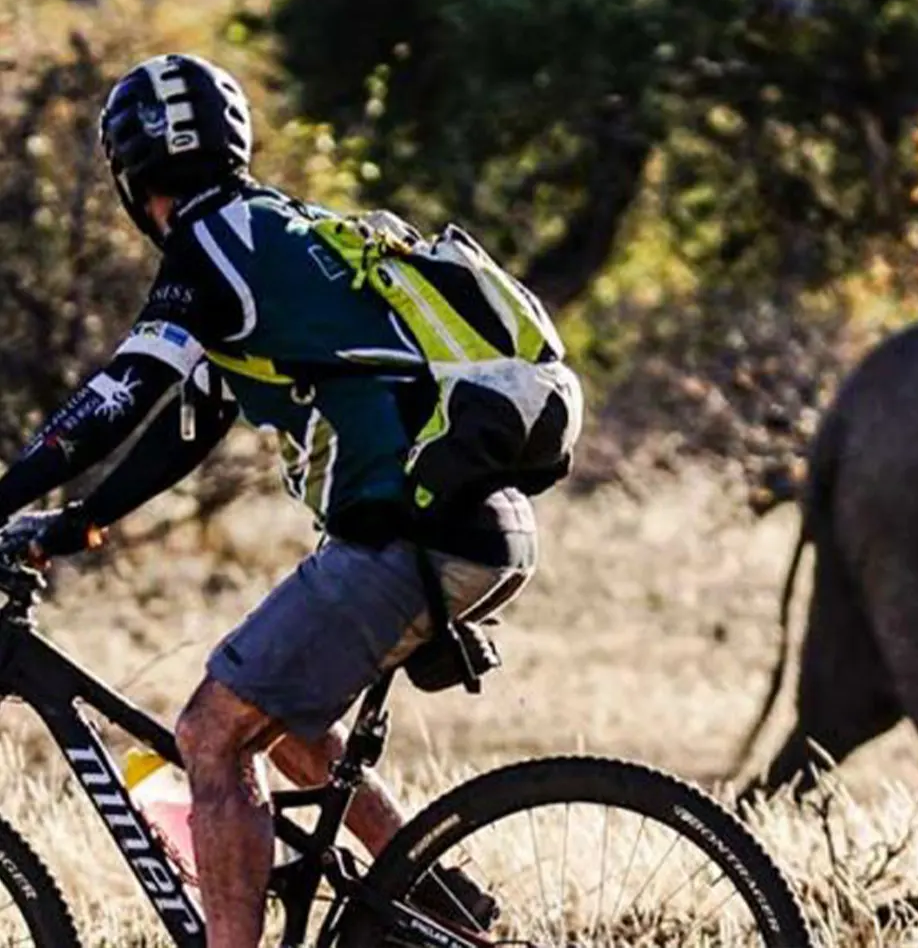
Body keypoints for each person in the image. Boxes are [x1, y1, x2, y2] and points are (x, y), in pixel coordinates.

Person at [0, 53, 570, 946]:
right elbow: (189, 422)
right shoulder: (272, 236)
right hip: (475, 525)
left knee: (210, 734)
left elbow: (122, 394)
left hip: (412, 536)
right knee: (290, 729)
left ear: (130, 170)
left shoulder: (210, 246)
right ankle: (433, 901)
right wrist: (79, 520)